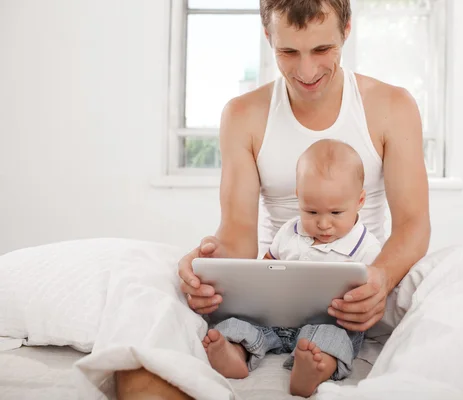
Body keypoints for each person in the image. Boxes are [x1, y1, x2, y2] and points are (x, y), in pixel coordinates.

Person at [115, 0, 430, 398]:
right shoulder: (243, 114)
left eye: (322, 50)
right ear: (268, 36)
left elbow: (414, 226)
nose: (306, 71)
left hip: (353, 292)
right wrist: (209, 266)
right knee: (142, 293)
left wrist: (381, 279)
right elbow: (238, 235)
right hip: (274, 289)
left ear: (346, 29)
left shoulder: (392, 107)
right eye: (288, 52)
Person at [202, 139, 382, 397]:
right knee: (236, 324)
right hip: (275, 321)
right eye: (311, 211)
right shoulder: (289, 232)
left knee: (335, 340)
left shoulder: (367, 248)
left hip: (327, 324)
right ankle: (233, 354)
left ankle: (312, 369)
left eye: (335, 213)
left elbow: (375, 293)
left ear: (360, 200)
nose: (323, 224)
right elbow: (266, 266)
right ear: (298, 197)